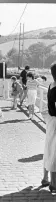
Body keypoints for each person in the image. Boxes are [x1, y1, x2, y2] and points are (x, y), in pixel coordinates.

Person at [43, 62, 56, 192]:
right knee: (54, 151)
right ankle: (53, 183)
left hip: (51, 120)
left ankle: (46, 178)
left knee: (49, 148)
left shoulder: (51, 85)